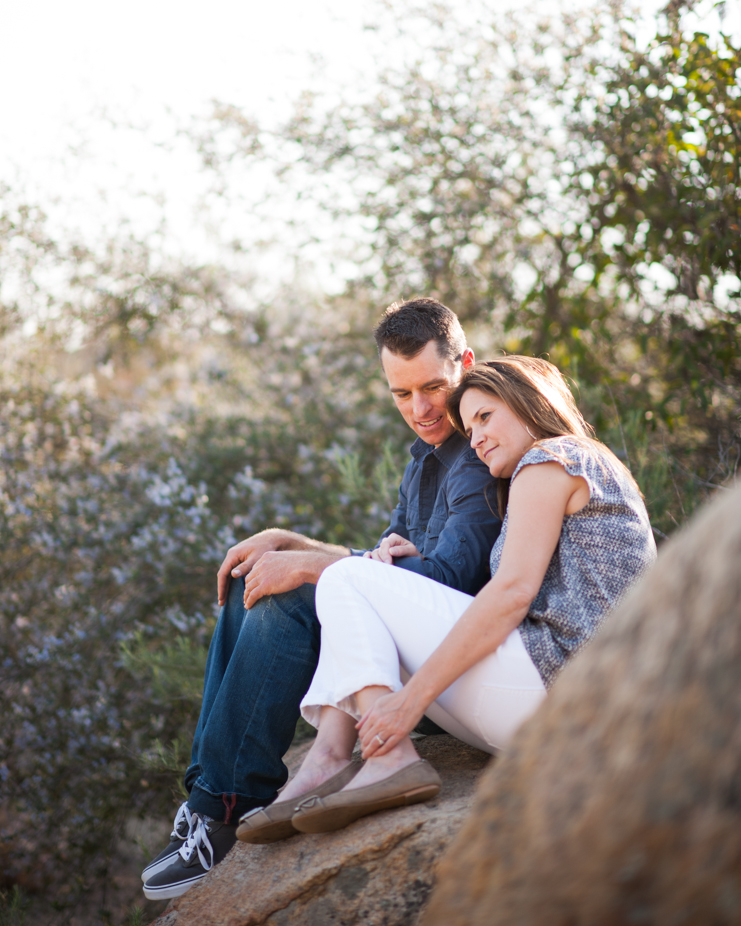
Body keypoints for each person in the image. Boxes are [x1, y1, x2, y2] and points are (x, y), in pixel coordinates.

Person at [142, 299, 502, 900]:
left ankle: (226, 810)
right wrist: (294, 545)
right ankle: (207, 802)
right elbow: (380, 567)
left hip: (458, 662)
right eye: (401, 394)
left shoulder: (479, 455)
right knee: (257, 580)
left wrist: (308, 565)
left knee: (289, 596)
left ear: (464, 363)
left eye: (434, 387)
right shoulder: (424, 463)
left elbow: (448, 581)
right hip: (417, 640)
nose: (420, 409)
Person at [257, 356, 657, 836]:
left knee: (345, 578)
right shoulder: (555, 472)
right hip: (560, 715)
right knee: (361, 594)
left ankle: (376, 759)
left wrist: (409, 702)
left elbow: (510, 595)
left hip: (569, 694)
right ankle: (331, 758)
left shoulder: (555, 457)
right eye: (469, 430)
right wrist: (414, 562)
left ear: (529, 402)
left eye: (486, 417)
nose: (478, 438)